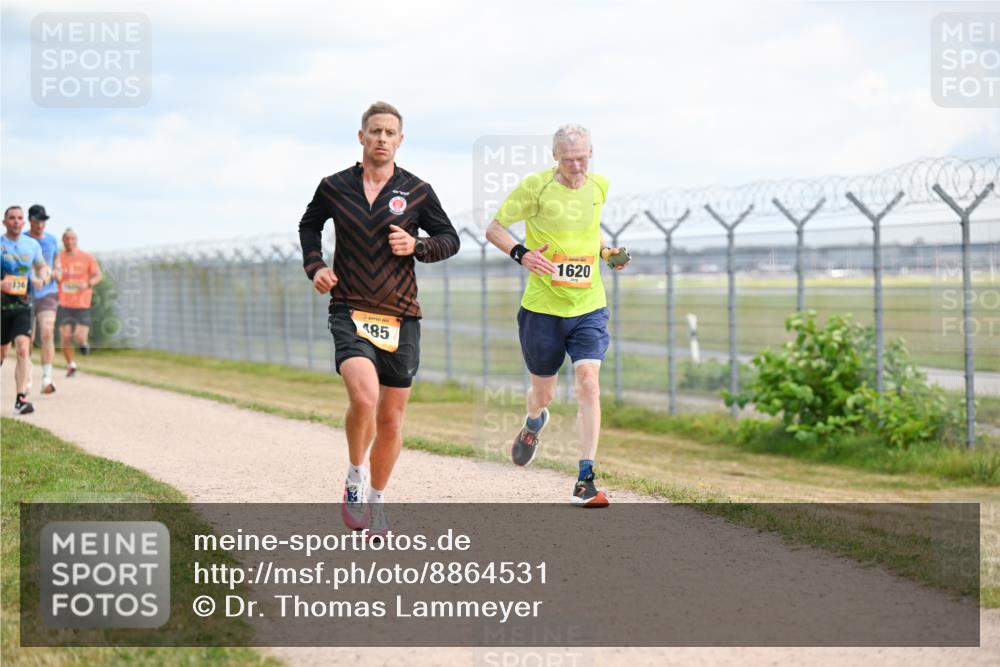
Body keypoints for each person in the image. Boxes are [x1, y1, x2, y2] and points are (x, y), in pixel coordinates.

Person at [298, 101, 460, 533]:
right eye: (375, 132)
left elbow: (449, 239)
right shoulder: (334, 186)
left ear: (400, 140)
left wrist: (418, 246)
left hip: (401, 314)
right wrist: (315, 266)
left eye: (390, 133)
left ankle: (378, 498)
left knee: (390, 419)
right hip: (349, 307)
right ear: (362, 137)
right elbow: (308, 226)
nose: (382, 139)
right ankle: (355, 475)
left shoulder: (418, 190)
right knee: (365, 398)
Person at [485, 124, 630, 507]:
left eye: (583, 157)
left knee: (588, 383)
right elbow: (494, 228)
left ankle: (585, 479)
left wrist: (606, 253)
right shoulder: (536, 187)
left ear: (591, 152)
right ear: (555, 158)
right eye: (569, 160)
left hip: (588, 306)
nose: (577, 166)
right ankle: (534, 422)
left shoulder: (599, 186)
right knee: (544, 393)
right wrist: (522, 253)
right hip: (543, 309)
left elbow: (590, 230)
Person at [1, 205, 51, 414]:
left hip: (23, 305)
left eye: (19, 218)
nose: (15, 221)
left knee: (23, 348)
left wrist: (43, 277)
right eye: (11, 218)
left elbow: (42, 266)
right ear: (5, 222)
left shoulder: (31, 245)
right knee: (2, 352)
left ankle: (21, 399)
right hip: (1, 306)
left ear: (24, 223)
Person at [56, 228, 102, 377]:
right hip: (63, 303)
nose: (70, 242)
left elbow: (98, 276)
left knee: (79, 336)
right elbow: (53, 274)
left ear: (76, 240)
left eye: (72, 239)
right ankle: (71, 365)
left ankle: (83, 344)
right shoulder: (58, 258)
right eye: (67, 239)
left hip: (82, 304)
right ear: (63, 241)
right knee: (65, 337)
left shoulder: (87, 257)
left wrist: (87, 284)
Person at [26, 205, 61, 394]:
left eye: (43, 221)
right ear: (30, 220)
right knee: (27, 339)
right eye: (37, 221)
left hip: (48, 292)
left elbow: (57, 264)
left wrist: (57, 272)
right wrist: (32, 279)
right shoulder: (22, 239)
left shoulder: (52, 240)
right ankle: (27, 376)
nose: (41, 225)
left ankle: (46, 378)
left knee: (47, 332)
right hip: (26, 293)